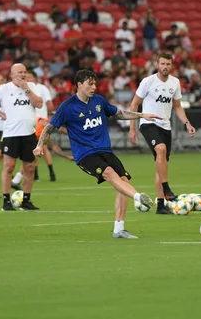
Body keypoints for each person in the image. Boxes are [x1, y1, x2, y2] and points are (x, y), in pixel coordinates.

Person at [33, 69, 160, 238]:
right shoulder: (68, 106)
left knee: (123, 181)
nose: (94, 87)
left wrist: (143, 115)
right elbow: (49, 127)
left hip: (105, 150)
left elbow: (120, 114)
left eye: (95, 84)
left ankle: (119, 229)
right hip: (85, 155)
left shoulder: (99, 101)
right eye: (89, 84)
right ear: (79, 85)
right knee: (109, 174)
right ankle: (138, 196)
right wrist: (40, 145)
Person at [128, 52, 196, 214]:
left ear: (172, 66)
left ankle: (160, 205)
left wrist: (187, 123)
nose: (165, 67)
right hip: (148, 124)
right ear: (157, 65)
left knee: (161, 164)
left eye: (168, 64)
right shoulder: (148, 82)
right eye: (162, 64)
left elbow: (178, 106)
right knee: (160, 149)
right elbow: (134, 105)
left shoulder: (175, 83)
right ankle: (166, 188)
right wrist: (132, 128)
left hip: (166, 127)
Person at [0, 63, 43, 211]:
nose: (23, 75)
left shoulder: (31, 87)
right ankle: (6, 201)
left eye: (25, 72)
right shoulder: (4, 89)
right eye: (20, 72)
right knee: (9, 166)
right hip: (11, 134)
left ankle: (26, 201)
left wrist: (26, 88)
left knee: (30, 167)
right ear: (12, 75)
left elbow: (39, 104)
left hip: (29, 133)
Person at [11, 70, 54, 189]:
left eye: (29, 76)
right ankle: (18, 178)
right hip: (30, 122)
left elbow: (49, 104)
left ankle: (18, 178)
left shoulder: (40, 88)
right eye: (26, 76)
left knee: (37, 151)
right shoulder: (21, 89)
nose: (27, 78)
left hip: (40, 121)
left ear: (35, 78)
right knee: (36, 151)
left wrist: (50, 115)